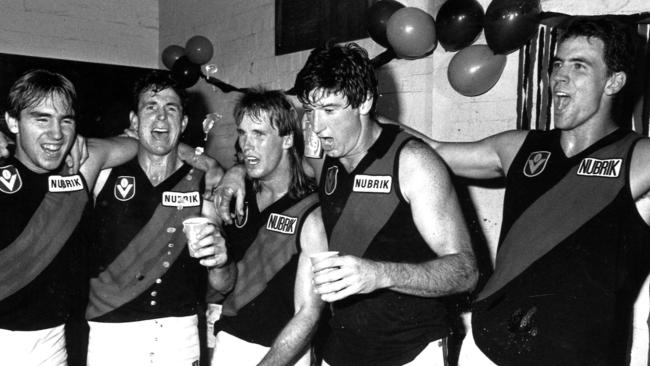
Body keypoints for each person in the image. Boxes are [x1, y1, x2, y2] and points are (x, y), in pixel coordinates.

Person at [427, 18, 650, 365]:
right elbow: (431, 151)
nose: (559, 76)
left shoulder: (639, 158)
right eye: (558, 63)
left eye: (579, 66)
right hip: (487, 349)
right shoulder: (520, 147)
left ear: (614, 81)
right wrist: (363, 123)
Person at [84, 70, 227, 366]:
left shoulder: (205, 182)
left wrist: (220, 256)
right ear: (134, 122)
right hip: (112, 333)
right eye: (151, 107)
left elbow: (221, 282)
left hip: (180, 335)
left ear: (184, 122)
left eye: (171, 109)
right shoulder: (103, 172)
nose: (161, 117)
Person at [0, 69, 140, 365]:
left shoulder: (81, 168)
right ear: (13, 122)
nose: (56, 133)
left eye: (66, 120)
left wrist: (83, 140)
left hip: (54, 345)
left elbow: (143, 145)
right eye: (42, 119)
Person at [209, 88, 327, 366]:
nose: (246, 145)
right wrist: (216, 259)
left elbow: (308, 313)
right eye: (242, 133)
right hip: (230, 341)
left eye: (259, 134)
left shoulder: (311, 209)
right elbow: (226, 283)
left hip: (285, 353)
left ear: (287, 139)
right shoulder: (238, 195)